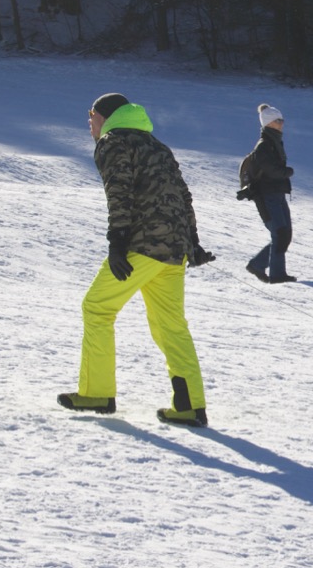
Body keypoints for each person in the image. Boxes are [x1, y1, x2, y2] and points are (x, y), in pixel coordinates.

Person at [58, 93, 215, 427]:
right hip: (174, 251)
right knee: (171, 326)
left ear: (106, 116)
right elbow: (182, 196)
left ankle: (97, 392)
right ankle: (190, 405)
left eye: (91, 114)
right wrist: (193, 242)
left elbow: (120, 192)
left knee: (97, 308)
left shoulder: (113, 142)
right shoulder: (156, 145)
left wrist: (117, 243)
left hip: (142, 247)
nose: (88, 121)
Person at [244, 103, 297, 284]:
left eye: (282, 120)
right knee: (280, 233)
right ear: (268, 123)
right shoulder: (264, 145)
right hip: (267, 196)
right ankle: (277, 275)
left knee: (284, 234)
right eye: (278, 121)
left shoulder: (274, 142)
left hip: (277, 194)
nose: (282, 123)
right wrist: (287, 172)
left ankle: (257, 265)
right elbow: (270, 170)